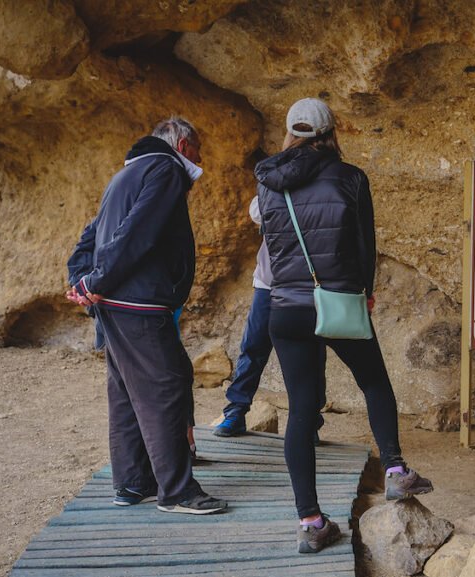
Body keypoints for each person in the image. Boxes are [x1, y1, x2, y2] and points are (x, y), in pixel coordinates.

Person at [255, 98, 433, 554]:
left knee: (299, 409)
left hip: (285, 307)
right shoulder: (351, 178)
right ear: (331, 132)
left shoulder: (268, 183)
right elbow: (363, 245)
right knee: (373, 381)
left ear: (290, 134)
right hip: (335, 302)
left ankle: (311, 523)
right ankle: (395, 472)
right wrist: (364, 292)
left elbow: (274, 245)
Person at [65, 117, 227, 515]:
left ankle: (133, 483)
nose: (201, 158)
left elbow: (90, 236)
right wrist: (97, 280)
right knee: (166, 387)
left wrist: (82, 279)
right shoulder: (166, 169)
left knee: (124, 392)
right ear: (183, 144)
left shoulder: (124, 176)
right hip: (138, 303)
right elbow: (140, 231)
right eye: (199, 149)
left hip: (114, 305)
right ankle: (177, 491)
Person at [213, 198, 325, 443]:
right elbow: (256, 212)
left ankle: (309, 422)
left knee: (309, 353)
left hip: (309, 284)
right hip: (269, 282)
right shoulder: (273, 183)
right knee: (253, 346)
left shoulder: (320, 188)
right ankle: (236, 410)